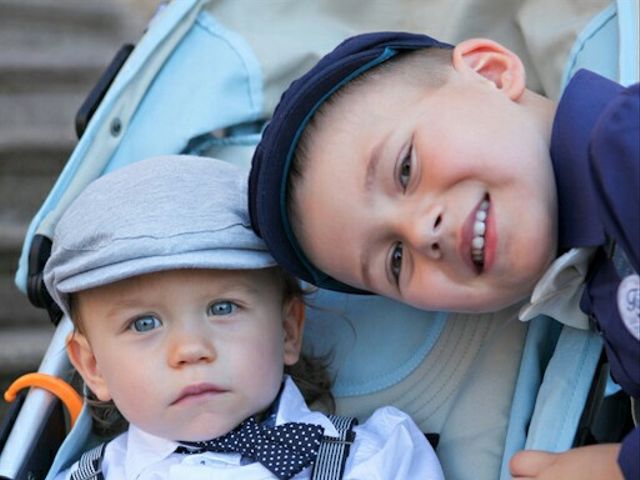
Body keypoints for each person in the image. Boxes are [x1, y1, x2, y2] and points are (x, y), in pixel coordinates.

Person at [247, 32, 639, 479]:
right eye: (395, 260)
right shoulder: (596, 286)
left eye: (406, 169)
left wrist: (617, 466)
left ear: (490, 73)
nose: (420, 232)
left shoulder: (628, 142)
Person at [44, 155, 444, 480]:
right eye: (144, 323)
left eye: (223, 308)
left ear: (287, 330)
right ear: (93, 367)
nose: (190, 350)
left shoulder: (371, 461)